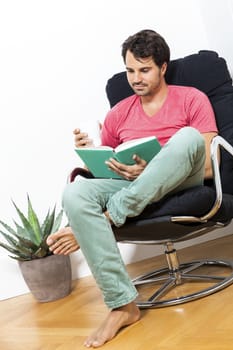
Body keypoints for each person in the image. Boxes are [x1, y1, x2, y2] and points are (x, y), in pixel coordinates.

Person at [47, 29, 218, 348]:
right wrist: (90, 152)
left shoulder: (192, 98)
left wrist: (155, 169)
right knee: (75, 193)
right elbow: (104, 170)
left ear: (163, 67)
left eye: (144, 69)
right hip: (132, 184)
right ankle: (122, 305)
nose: (136, 78)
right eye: (130, 70)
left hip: (184, 176)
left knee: (188, 137)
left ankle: (112, 215)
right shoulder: (117, 113)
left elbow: (210, 164)